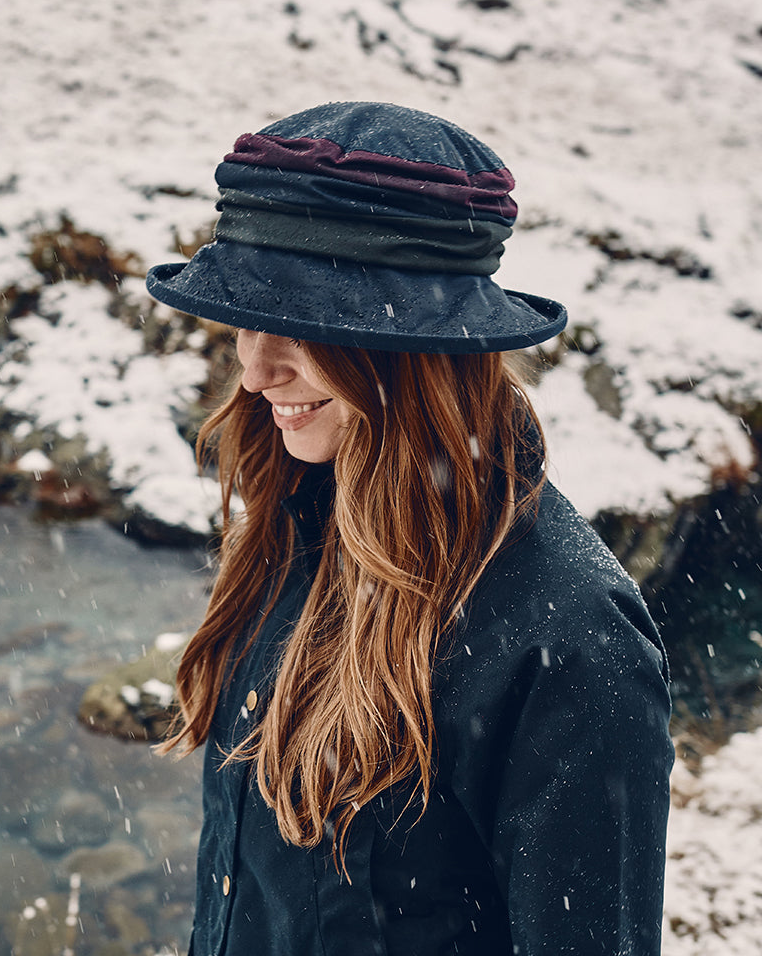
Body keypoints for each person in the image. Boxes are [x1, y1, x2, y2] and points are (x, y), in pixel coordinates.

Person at [145, 102, 673, 956]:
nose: (253, 367)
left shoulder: (569, 640)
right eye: (247, 318)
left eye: (298, 328)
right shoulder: (299, 517)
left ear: (413, 348)